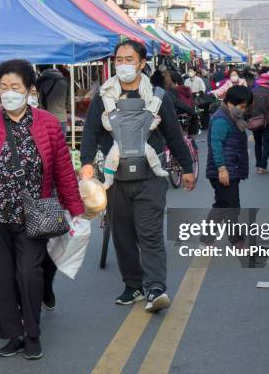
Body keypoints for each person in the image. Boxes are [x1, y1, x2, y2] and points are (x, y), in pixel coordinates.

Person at [0, 59, 83, 360]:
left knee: (28, 274)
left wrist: (76, 208)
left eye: (15, 87)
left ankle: (33, 334)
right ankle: (14, 334)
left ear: (30, 91)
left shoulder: (48, 124)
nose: (8, 93)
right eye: (4, 87)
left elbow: (63, 170)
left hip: (33, 215)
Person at [80, 40, 195, 312]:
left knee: (150, 234)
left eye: (129, 59)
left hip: (150, 178)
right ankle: (133, 286)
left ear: (142, 63)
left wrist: (187, 167)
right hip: (115, 178)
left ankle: (155, 289)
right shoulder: (104, 95)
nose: (123, 65)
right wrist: (86, 163)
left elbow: (173, 134)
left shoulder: (157, 96)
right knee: (122, 235)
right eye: (118, 59)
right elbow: (91, 132)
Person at [206, 86, 250, 233]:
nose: (244, 110)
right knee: (227, 206)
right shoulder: (221, 119)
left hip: (232, 169)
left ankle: (235, 241)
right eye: (242, 106)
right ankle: (237, 243)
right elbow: (216, 145)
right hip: (224, 171)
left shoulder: (232, 117)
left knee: (227, 206)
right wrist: (222, 169)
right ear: (231, 103)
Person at [248, 74, 269, 174]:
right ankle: (262, 166)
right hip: (268, 122)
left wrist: (248, 119)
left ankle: (258, 164)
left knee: (258, 143)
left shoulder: (252, 92)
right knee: (267, 144)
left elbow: (248, 108)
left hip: (255, 121)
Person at [35, 69, 69, 134]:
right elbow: (68, 102)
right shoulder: (65, 82)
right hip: (62, 117)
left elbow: (41, 101)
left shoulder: (43, 83)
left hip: (47, 118)